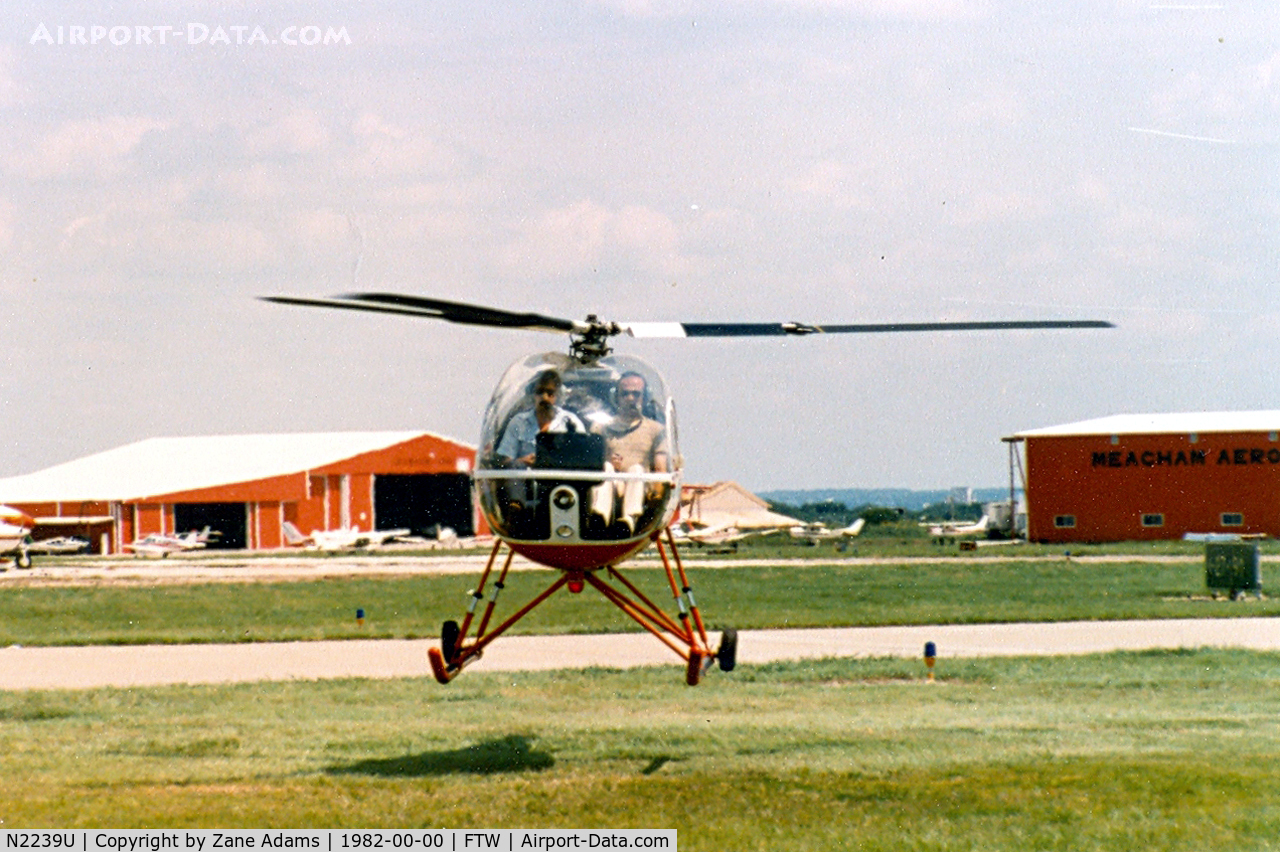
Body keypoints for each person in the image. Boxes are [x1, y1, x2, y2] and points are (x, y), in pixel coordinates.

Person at [591, 371, 668, 531]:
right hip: (610, 484)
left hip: (640, 488)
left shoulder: (656, 430)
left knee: (636, 469)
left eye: (636, 394)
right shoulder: (600, 427)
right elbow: (591, 462)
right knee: (606, 467)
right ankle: (598, 518)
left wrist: (658, 494)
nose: (630, 399)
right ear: (616, 398)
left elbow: (661, 468)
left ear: (644, 397)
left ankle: (629, 520)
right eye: (625, 394)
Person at [496, 369, 585, 467]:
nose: (544, 397)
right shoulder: (518, 422)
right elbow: (504, 462)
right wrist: (521, 461)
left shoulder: (571, 421)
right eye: (540, 392)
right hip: (526, 480)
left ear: (557, 396)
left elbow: (583, 458)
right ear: (533, 394)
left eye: (550, 393)